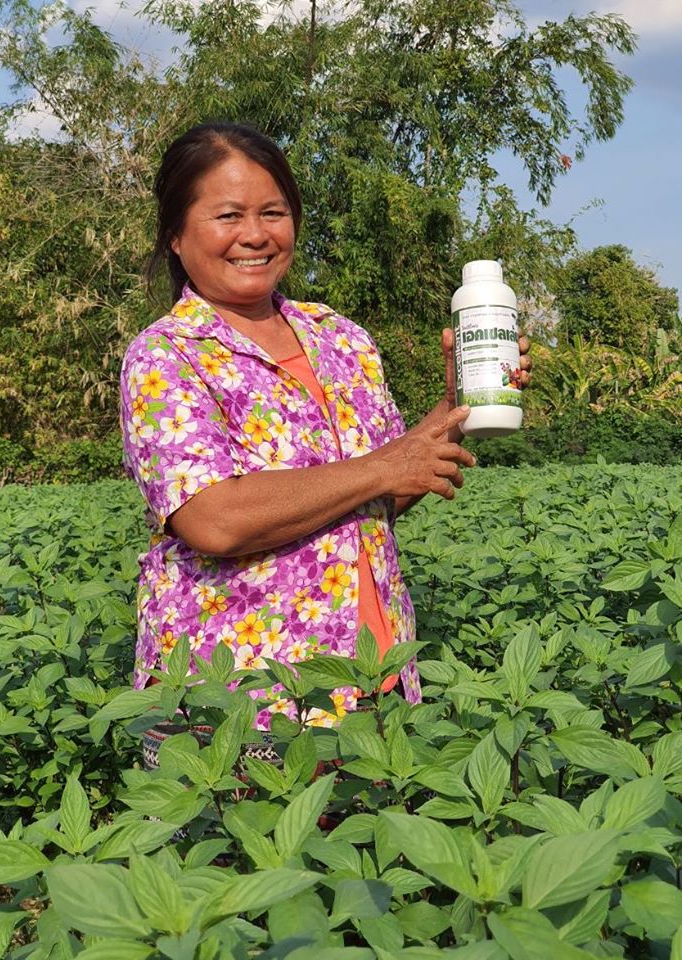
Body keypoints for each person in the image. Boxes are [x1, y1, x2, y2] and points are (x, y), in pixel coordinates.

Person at [120, 122, 531, 766]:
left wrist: (461, 404)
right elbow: (213, 519)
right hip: (240, 708)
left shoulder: (340, 338)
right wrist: (383, 468)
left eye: (273, 212)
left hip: (375, 677)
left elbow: (379, 498)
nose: (254, 234)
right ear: (176, 235)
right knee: (244, 866)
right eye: (228, 215)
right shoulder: (166, 355)